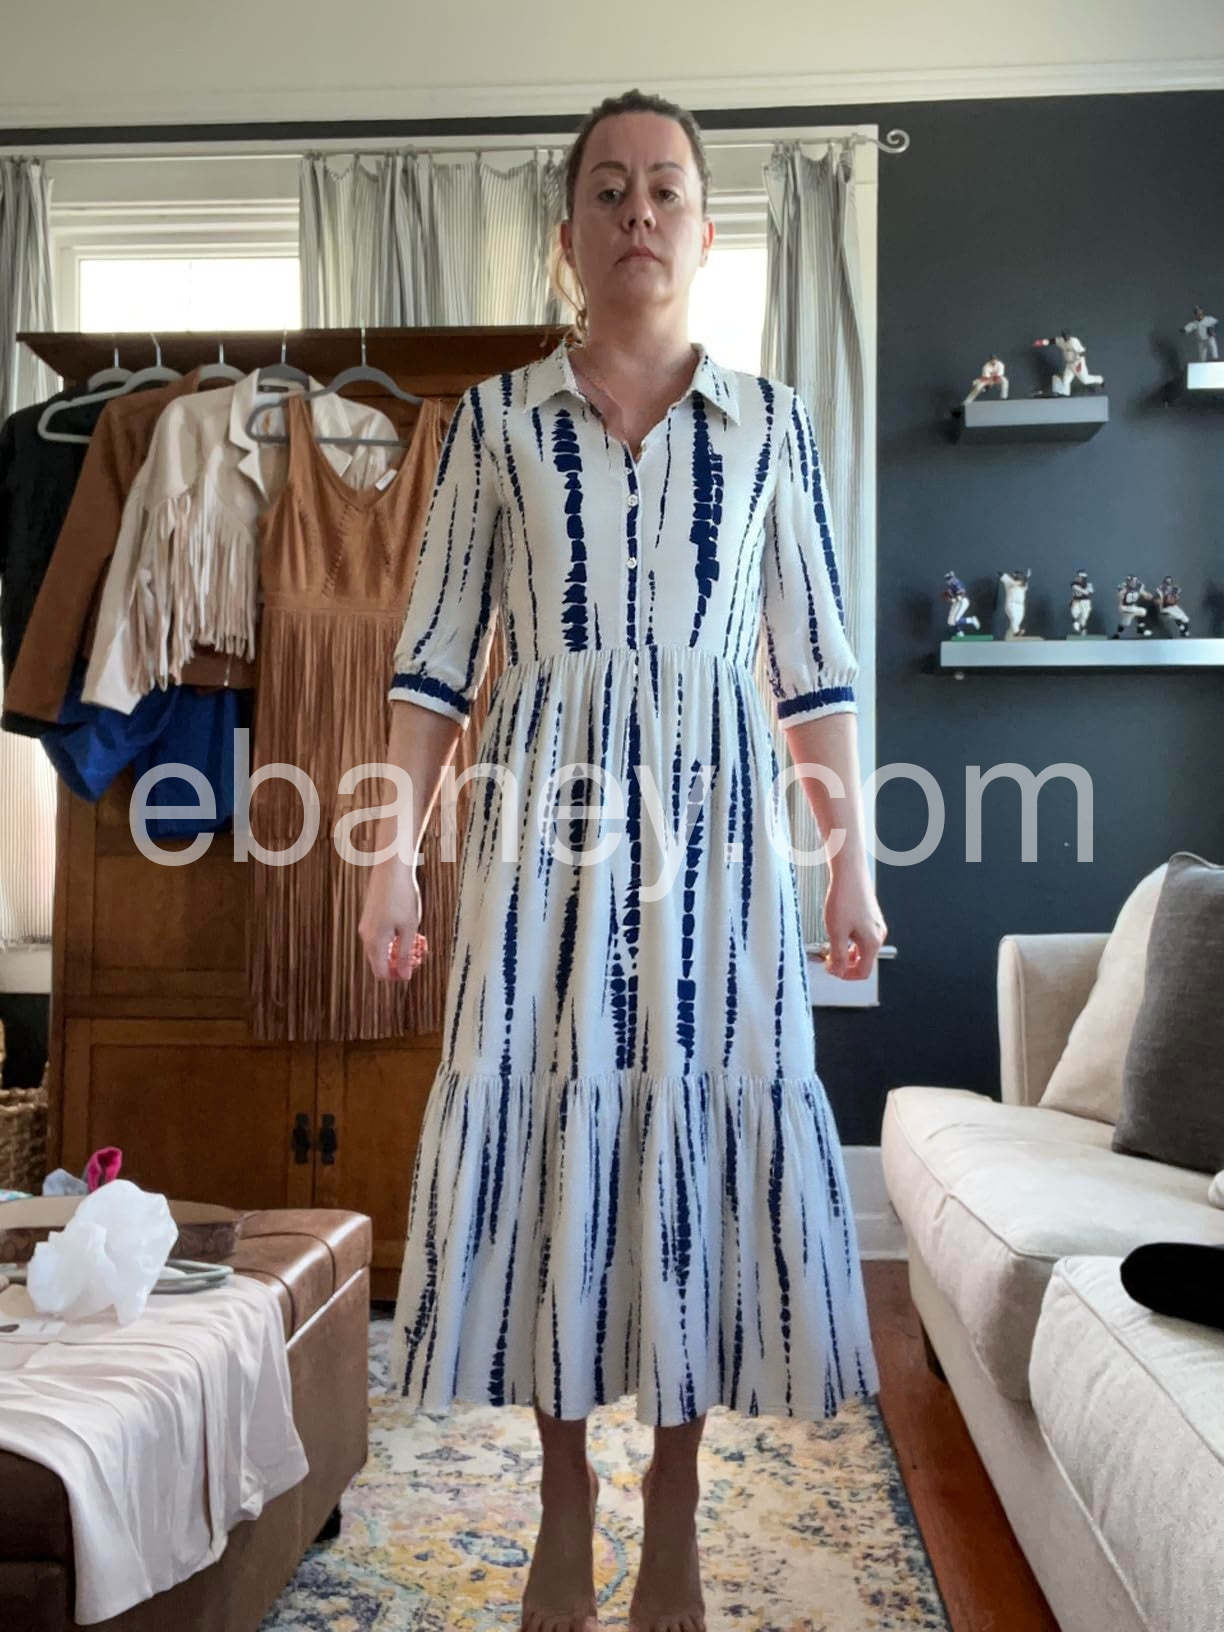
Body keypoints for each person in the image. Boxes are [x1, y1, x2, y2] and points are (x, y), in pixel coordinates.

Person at [359, 87, 887, 1632]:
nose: (638, 212)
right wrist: (391, 857)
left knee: (697, 1126)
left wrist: (850, 867)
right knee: (552, 1124)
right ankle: (562, 1492)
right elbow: (435, 664)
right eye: (609, 189)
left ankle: (671, 1499)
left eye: (665, 189)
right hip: (543, 830)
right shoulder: (492, 424)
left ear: (707, 232)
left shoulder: (775, 427)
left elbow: (815, 669)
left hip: (717, 834)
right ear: (570, 233)